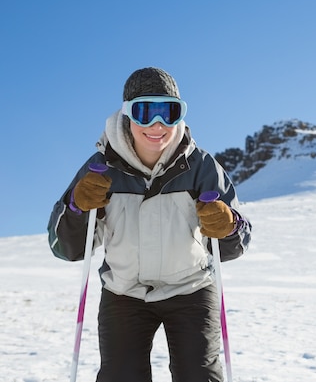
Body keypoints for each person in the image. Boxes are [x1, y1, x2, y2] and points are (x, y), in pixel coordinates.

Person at [48, 67, 252, 382]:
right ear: (127, 116)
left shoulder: (201, 167)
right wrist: (77, 206)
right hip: (124, 292)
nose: (157, 125)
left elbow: (234, 246)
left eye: (169, 113)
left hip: (191, 289)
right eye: (144, 112)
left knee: (199, 376)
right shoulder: (100, 169)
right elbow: (68, 248)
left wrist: (227, 225)